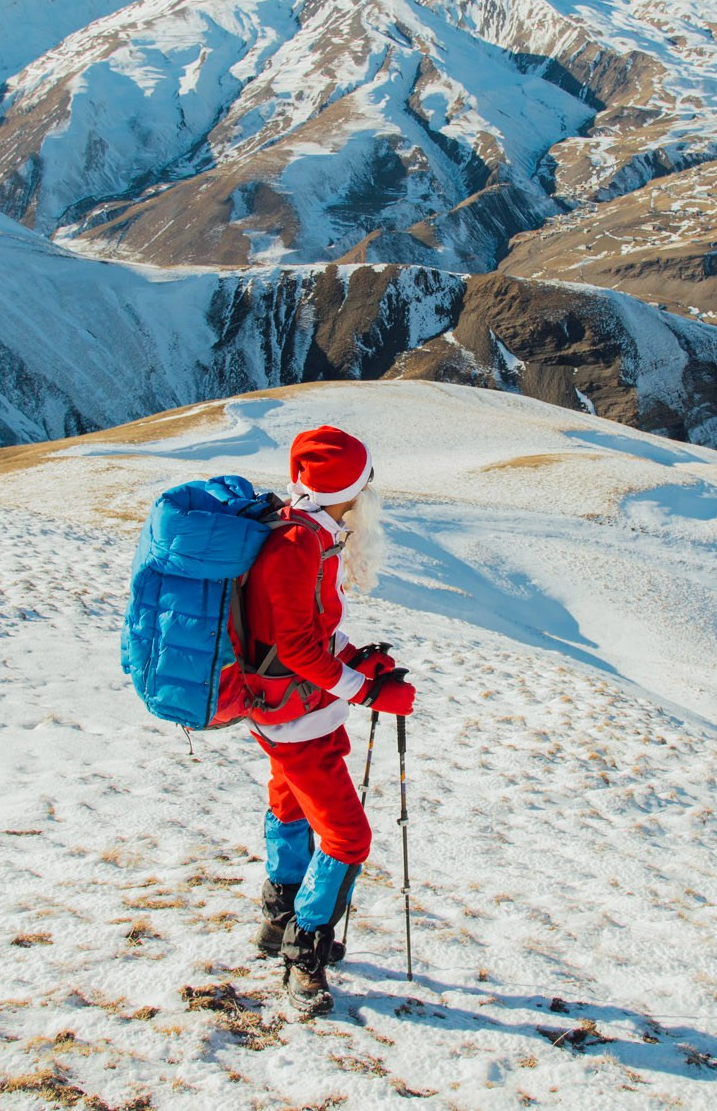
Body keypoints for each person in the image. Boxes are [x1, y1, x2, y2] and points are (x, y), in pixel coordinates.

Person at [223, 424, 414, 1015]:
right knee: (348, 836)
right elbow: (299, 649)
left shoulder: (307, 530)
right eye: (365, 482)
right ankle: (303, 953)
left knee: (288, 803)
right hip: (293, 715)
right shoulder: (297, 545)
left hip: (295, 706)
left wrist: (356, 661)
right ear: (347, 488)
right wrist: (365, 690)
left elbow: (311, 633)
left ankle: (276, 919)